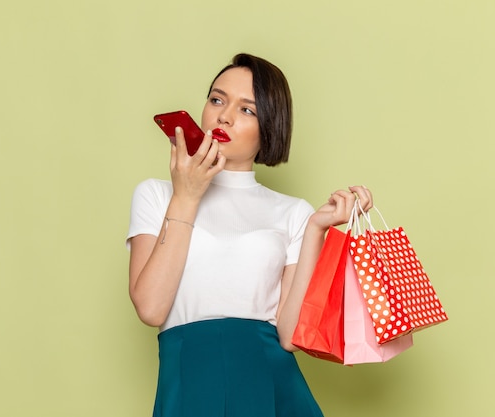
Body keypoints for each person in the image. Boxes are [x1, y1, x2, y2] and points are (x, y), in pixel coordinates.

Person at [126, 53, 373, 417]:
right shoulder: (157, 194)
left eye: (247, 110)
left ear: (269, 126)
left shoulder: (294, 213)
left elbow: (289, 335)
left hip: (270, 385)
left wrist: (316, 229)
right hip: (190, 380)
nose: (223, 115)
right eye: (217, 99)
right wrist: (186, 195)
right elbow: (150, 307)